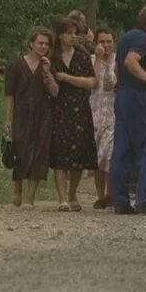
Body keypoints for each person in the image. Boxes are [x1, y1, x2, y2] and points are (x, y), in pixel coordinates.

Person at [109, 6, 146, 214]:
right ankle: (144, 199)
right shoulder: (143, 40)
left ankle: (120, 201)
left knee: (121, 150)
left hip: (123, 94)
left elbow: (118, 67)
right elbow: (130, 61)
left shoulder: (126, 37)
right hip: (137, 95)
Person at [4, 27, 57, 208]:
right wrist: (7, 120)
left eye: (46, 44)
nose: (43, 47)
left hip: (43, 114)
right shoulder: (17, 65)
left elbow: (55, 92)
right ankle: (17, 190)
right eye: (40, 43)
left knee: (39, 153)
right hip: (21, 113)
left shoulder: (49, 65)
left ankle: (30, 196)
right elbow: (9, 94)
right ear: (31, 43)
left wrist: (48, 73)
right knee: (20, 151)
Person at [49, 16, 98, 212]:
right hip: (59, 108)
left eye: (75, 33)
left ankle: (72, 193)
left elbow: (91, 82)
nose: (73, 37)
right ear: (60, 35)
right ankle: (62, 198)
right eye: (69, 33)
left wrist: (66, 78)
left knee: (79, 154)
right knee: (61, 154)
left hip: (80, 108)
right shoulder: (53, 58)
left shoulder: (82, 56)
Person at [89, 27, 117, 209]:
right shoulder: (91, 60)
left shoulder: (117, 60)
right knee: (97, 157)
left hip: (112, 111)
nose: (105, 45)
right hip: (93, 109)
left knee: (110, 153)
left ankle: (110, 193)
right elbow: (92, 80)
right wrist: (99, 58)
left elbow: (113, 83)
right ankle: (100, 196)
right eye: (102, 41)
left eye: (108, 41)